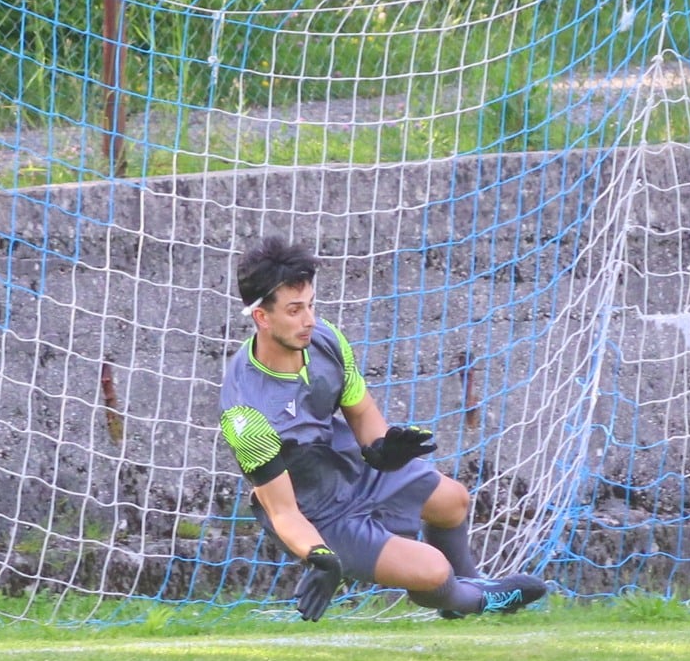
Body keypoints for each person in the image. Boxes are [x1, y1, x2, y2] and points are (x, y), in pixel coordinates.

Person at [220, 235, 546, 622]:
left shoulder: (325, 340)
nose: (309, 320)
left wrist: (382, 449)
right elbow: (284, 513)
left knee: (453, 500)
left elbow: (361, 412)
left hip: (349, 466)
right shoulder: (247, 414)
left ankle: (471, 586)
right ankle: (477, 599)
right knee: (433, 571)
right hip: (317, 514)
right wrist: (318, 556)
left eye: (310, 304)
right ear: (262, 317)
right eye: (294, 310)